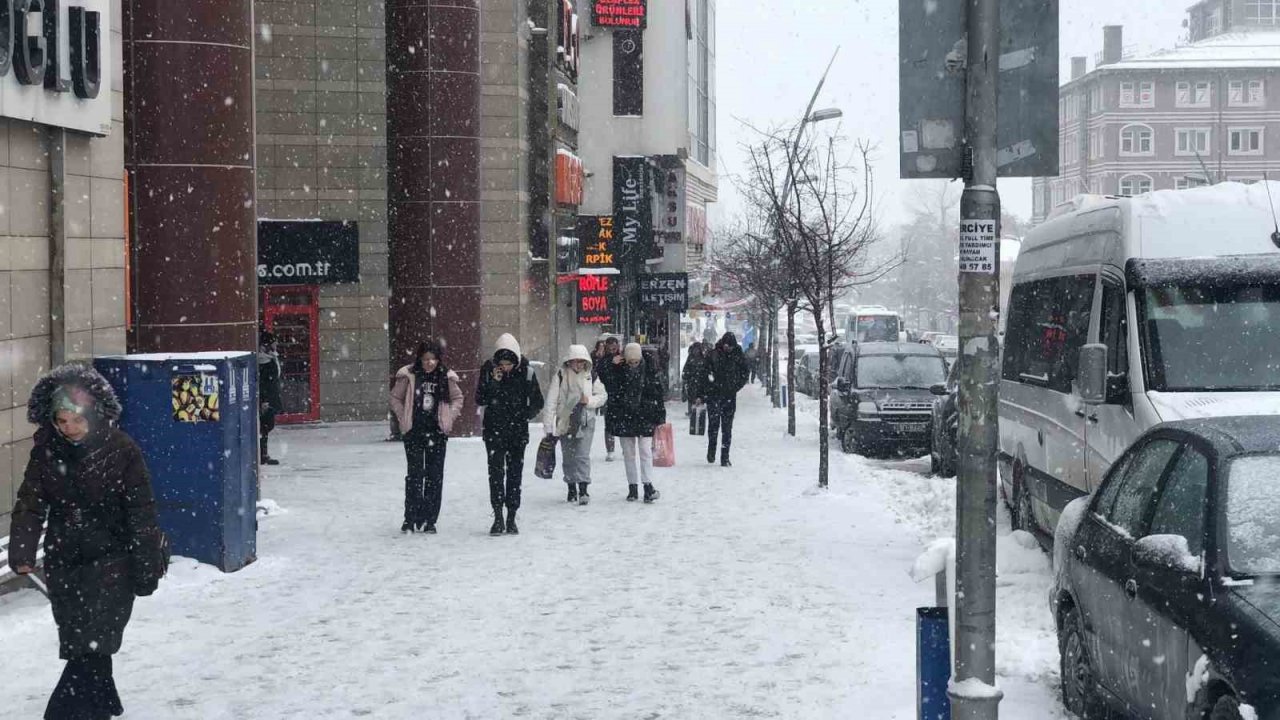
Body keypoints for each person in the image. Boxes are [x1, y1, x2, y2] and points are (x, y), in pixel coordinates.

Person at [9, 363, 168, 720]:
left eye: (76, 420)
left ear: (94, 414)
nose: (70, 429)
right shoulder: (47, 452)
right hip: (65, 560)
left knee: (93, 644)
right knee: (82, 641)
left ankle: (64, 713)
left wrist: (145, 567)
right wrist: (22, 550)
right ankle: (104, 703)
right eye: (61, 421)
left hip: (115, 561)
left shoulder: (122, 450)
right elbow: (30, 504)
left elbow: (141, 513)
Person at [389, 339, 464, 534]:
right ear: (420, 359)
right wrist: (403, 416)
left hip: (437, 433)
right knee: (414, 476)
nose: (430, 363)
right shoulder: (410, 375)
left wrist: (448, 418)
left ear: (439, 360)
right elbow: (395, 397)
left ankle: (430, 519)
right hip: (414, 432)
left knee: (434, 477)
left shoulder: (445, 377)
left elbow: (458, 399)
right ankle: (411, 518)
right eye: (426, 359)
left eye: (433, 359)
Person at [475, 333, 544, 535]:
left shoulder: (527, 373)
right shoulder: (488, 371)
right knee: (496, 474)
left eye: (509, 363)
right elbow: (479, 399)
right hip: (494, 431)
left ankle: (512, 515)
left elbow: (537, 401)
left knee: (515, 475)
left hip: (517, 432)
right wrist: (494, 383)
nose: (505, 367)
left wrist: (523, 415)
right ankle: (497, 516)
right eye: (502, 363)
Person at [543, 344, 608, 506]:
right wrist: (548, 427)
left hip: (586, 420)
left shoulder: (591, 375)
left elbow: (603, 395)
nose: (578, 365)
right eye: (574, 361)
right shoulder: (560, 375)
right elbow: (551, 401)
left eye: (581, 361)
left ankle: (584, 487)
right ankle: (571, 486)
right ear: (569, 362)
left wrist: (589, 401)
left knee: (582, 455)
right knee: (568, 456)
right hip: (565, 420)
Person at [601, 343, 665, 503]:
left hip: (644, 416)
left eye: (636, 362)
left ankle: (648, 486)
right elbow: (605, 382)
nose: (633, 365)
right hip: (625, 417)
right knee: (628, 454)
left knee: (645, 452)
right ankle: (632, 487)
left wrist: (660, 417)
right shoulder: (617, 372)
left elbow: (658, 394)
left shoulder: (650, 371)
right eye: (630, 362)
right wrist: (610, 365)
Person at [705, 332, 751, 467]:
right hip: (714, 395)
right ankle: (711, 450)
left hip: (729, 396)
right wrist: (708, 388)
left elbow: (745, 372)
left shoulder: (738, 355)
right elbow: (705, 373)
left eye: (730, 346)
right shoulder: (713, 354)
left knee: (727, 428)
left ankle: (725, 457)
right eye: (726, 346)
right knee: (713, 426)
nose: (727, 349)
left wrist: (735, 386)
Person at [594, 335, 622, 462]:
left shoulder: (623, 358)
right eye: (611, 348)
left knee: (623, 423)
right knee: (609, 424)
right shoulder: (603, 360)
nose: (613, 350)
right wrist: (611, 362)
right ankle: (610, 450)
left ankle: (625, 448)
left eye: (615, 347)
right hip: (608, 394)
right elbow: (600, 372)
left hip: (622, 395)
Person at [258, 329, 283, 465]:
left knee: (267, 426)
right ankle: (262, 454)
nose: (276, 344)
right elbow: (264, 383)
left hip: (270, 397)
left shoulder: (271, 358)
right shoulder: (263, 362)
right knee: (265, 426)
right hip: (266, 399)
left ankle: (263, 453)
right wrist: (264, 400)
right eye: (273, 342)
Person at [682, 341, 708, 417]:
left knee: (700, 396)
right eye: (695, 349)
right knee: (691, 397)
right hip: (692, 381)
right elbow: (686, 369)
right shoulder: (690, 358)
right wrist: (686, 377)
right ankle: (691, 411)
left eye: (697, 349)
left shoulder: (703, 358)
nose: (696, 351)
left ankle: (700, 411)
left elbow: (706, 370)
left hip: (700, 381)